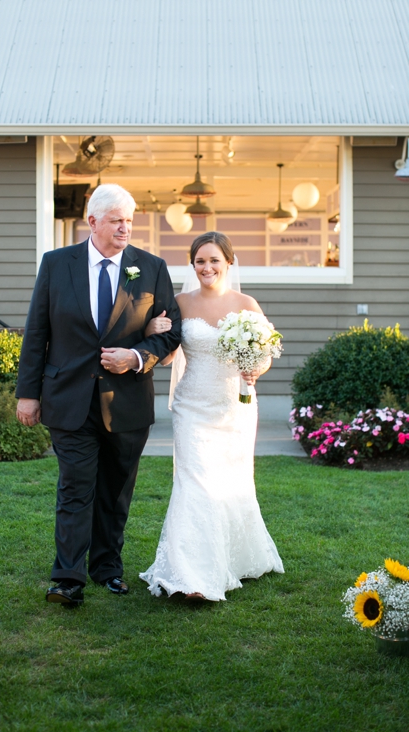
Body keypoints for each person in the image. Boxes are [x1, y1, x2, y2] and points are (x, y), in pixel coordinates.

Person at [16, 183, 181, 607]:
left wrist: (137, 356)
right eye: (116, 220)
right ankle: (67, 577)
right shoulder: (56, 264)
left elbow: (171, 332)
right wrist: (27, 394)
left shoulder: (152, 267)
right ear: (92, 222)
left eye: (130, 220)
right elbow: (38, 332)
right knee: (75, 487)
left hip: (127, 401)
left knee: (115, 491)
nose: (125, 228)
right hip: (69, 399)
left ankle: (108, 568)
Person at [138, 232, 283, 601]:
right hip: (192, 406)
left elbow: (265, 352)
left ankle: (232, 559)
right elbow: (168, 355)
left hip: (234, 407)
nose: (207, 267)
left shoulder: (246, 302)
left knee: (230, 482)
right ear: (193, 265)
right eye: (200, 261)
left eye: (214, 260)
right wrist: (152, 329)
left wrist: (256, 370)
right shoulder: (181, 302)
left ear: (228, 263)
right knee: (194, 483)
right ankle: (192, 576)